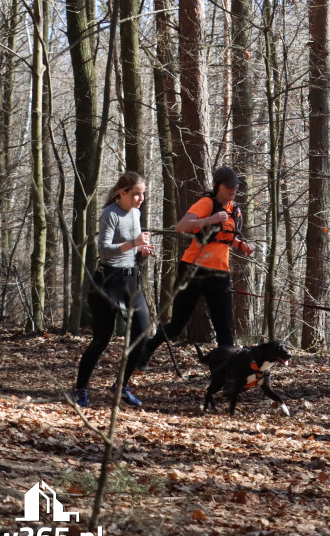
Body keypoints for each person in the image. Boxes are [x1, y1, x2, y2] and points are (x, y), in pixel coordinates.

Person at [141, 166, 256, 365]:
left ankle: (225, 372)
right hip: (193, 269)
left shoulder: (235, 210)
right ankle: (147, 348)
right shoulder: (207, 203)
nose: (233, 189)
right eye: (229, 186)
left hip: (220, 273)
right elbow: (181, 226)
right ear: (217, 185)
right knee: (177, 325)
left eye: (235, 186)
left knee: (224, 326)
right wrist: (210, 219)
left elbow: (226, 238)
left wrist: (242, 245)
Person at [73, 171, 156, 408]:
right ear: (123, 193)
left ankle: (119, 387)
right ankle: (80, 389)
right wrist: (134, 243)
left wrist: (141, 252)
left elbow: (131, 252)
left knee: (142, 335)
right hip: (108, 283)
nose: (141, 199)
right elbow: (105, 250)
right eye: (136, 194)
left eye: (143, 194)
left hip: (130, 282)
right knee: (102, 339)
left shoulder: (137, 213)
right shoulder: (111, 213)